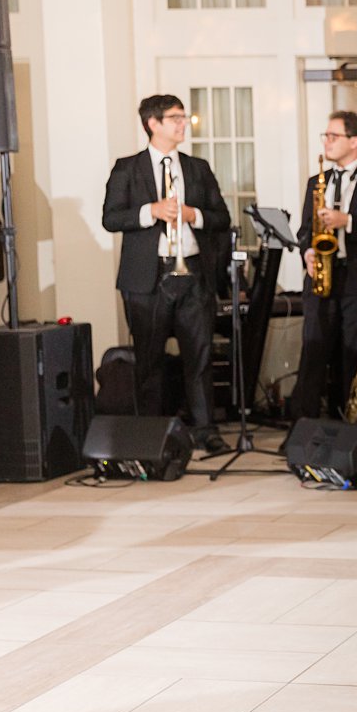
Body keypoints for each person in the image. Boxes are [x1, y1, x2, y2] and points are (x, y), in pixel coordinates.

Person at [102, 94, 231, 454]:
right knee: (149, 360)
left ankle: (206, 430)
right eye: (174, 118)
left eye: (183, 117)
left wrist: (193, 215)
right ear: (153, 123)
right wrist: (151, 211)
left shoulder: (197, 167)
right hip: (147, 279)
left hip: (192, 275)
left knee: (200, 358)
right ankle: (152, 434)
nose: (182, 123)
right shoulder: (128, 168)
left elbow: (221, 218)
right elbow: (111, 218)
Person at [291, 110, 357, 419]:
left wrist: (347, 221)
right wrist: (307, 253)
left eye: (333, 136)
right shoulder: (317, 181)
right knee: (313, 354)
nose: (326, 141)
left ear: (355, 141)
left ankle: (349, 430)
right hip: (321, 280)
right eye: (325, 136)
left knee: (352, 357)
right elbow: (304, 231)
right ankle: (305, 429)